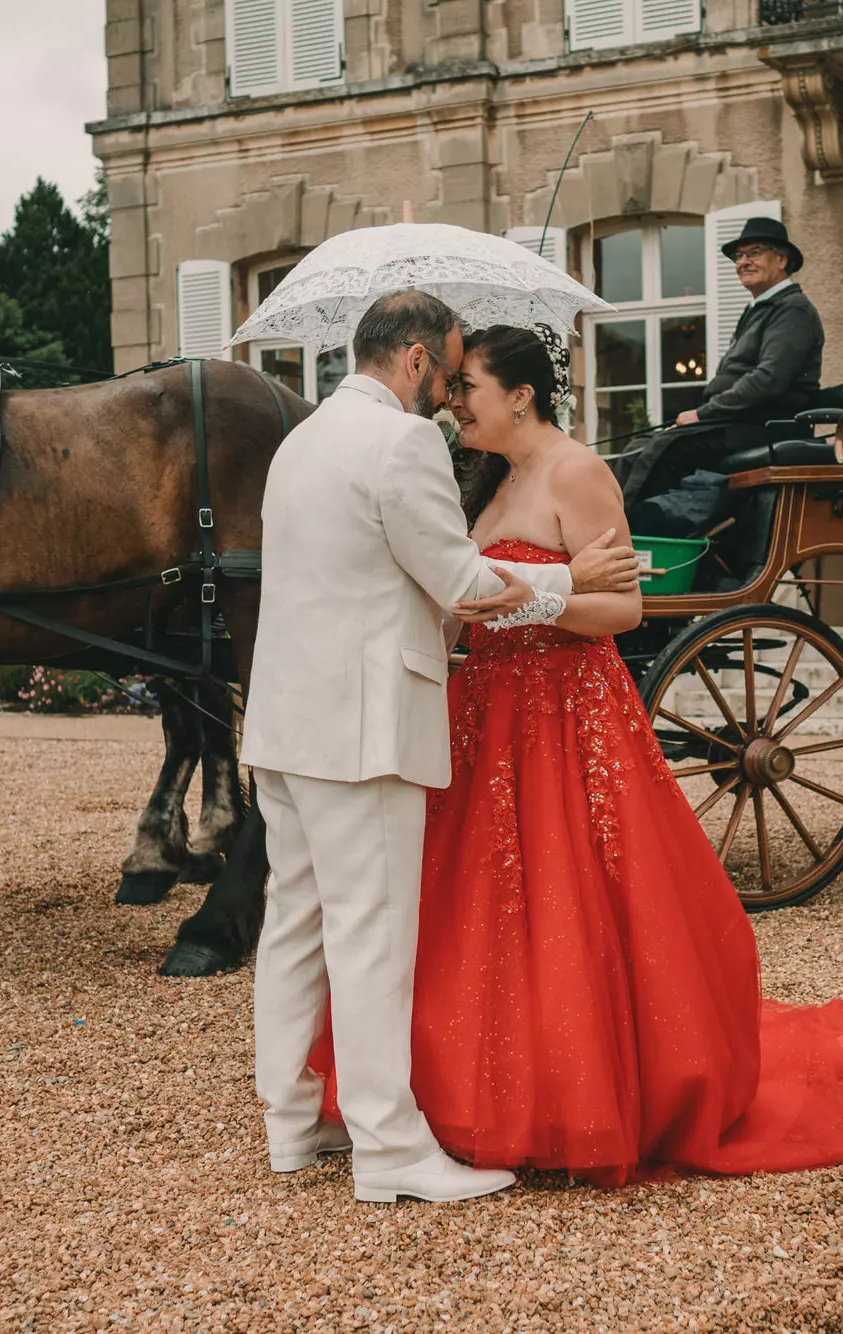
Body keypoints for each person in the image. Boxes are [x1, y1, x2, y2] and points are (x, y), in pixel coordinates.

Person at [311, 324, 843, 1185]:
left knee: (569, 896)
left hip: (564, 713)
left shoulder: (576, 471)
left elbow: (624, 614)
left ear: (521, 394)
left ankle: (566, 1091)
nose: (454, 404)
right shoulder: (490, 481)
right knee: (470, 901)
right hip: (482, 712)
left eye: (470, 390)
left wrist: (531, 604)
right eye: (453, 390)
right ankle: (445, 1088)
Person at [240, 290, 643, 1205]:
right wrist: (566, 581)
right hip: (363, 729)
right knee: (372, 935)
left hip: (285, 725)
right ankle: (389, 1150)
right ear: (417, 360)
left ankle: (293, 1126)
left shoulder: (302, 438)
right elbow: (460, 583)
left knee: (296, 923)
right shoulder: (402, 442)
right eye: (448, 371)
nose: (451, 400)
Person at [620, 217, 824, 505]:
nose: (743, 262)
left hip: (765, 424)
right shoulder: (759, 309)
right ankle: (613, 525)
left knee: (667, 447)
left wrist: (703, 414)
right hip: (737, 420)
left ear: (781, 259)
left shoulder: (793, 311)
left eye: (753, 252)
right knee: (639, 446)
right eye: (738, 256)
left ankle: (635, 535)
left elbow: (768, 381)